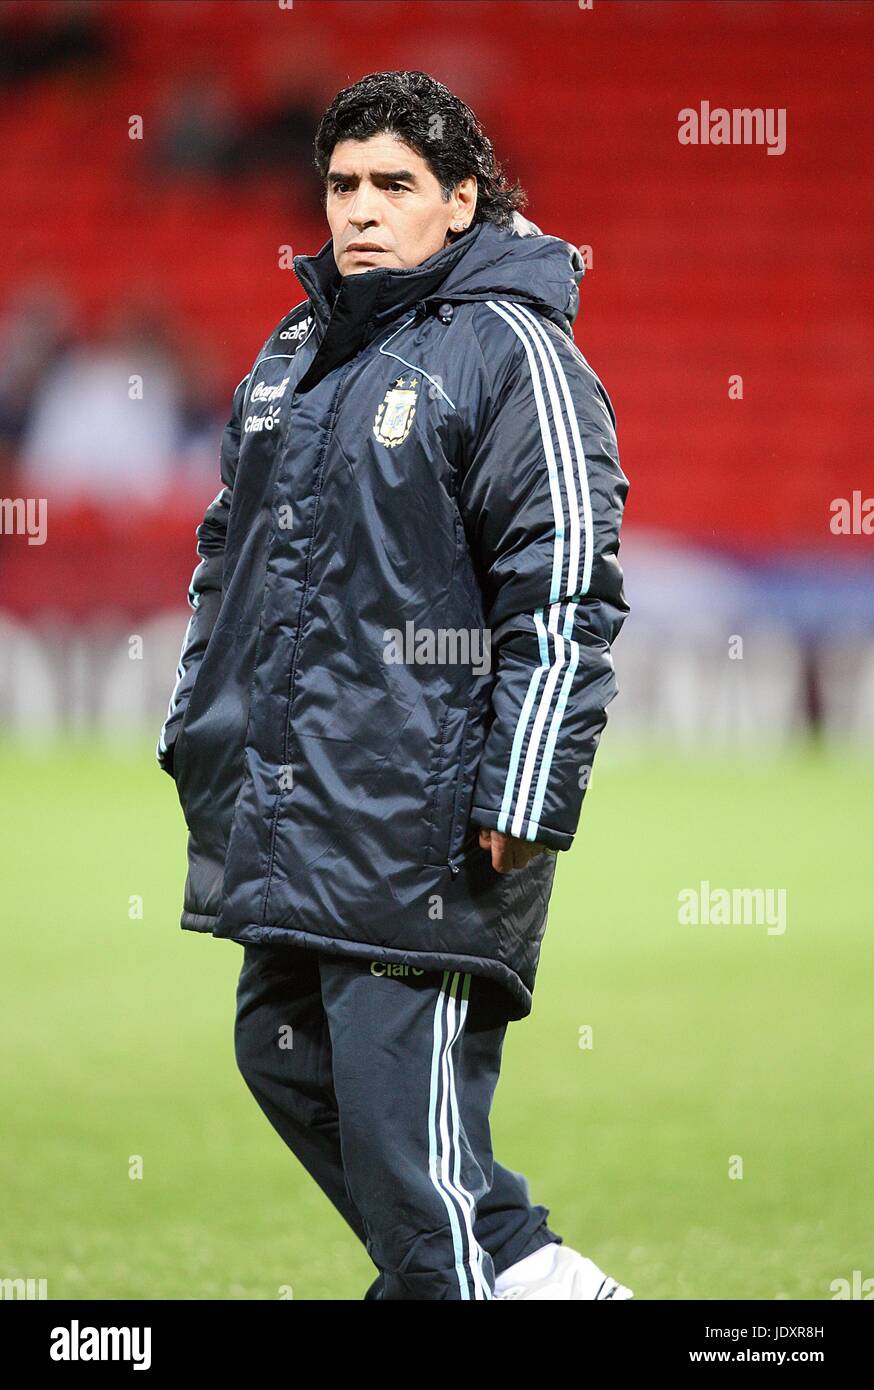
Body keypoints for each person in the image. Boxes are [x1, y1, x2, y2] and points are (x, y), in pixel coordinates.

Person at [157, 70, 630, 1301]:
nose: (360, 209)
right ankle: (522, 1271)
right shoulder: (292, 354)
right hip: (294, 806)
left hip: (423, 821)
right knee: (285, 1062)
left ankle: (467, 1279)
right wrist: (195, 727)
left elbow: (564, 584)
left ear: (460, 201)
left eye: (394, 185)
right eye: (342, 185)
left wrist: (523, 789)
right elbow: (228, 553)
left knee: (399, 1146)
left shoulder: (515, 352)